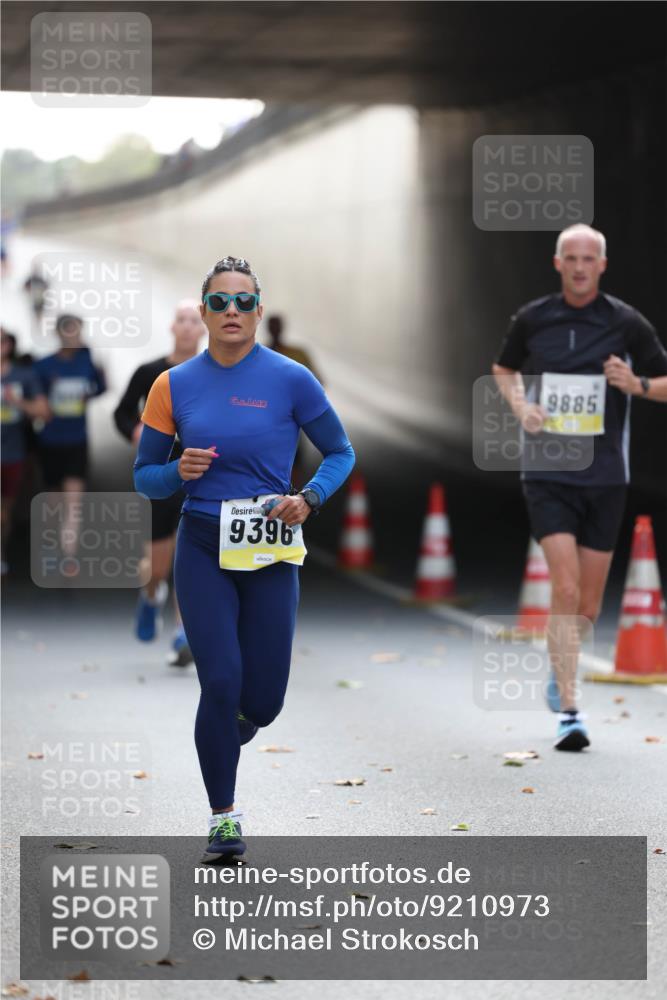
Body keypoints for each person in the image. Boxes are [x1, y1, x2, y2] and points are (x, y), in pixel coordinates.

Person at [134, 256, 355, 861]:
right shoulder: (171, 385)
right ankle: (223, 817)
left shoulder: (291, 379)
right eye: (219, 302)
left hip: (270, 547)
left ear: (259, 309)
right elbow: (144, 479)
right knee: (220, 679)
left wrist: (309, 498)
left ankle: (225, 737)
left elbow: (340, 451)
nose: (232, 312)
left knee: (263, 700)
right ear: (203, 311)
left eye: (243, 301)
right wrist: (176, 471)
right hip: (203, 544)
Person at [492, 224, 667, 752]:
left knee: (587, 606)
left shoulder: (624, 322)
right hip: (547, 472)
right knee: (564, 590)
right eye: (571, 257)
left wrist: (634, 384)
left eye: (590, 258)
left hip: (606, 475)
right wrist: (522, 406)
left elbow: (664, 381)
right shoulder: (533, 318)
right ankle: (571, 710)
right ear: (558, 263)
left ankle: (559, 669)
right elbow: (503, 368)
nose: (580, 266)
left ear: (602, 266)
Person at [114, 300, 206, 664]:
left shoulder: (213, 373)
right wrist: (134, 430)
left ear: (203, 329)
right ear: (171, 327)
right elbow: (121, 412)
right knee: (157, 567)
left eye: (193, 321)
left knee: (190, 559)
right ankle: (150, 595)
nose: (186, 327)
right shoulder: (151, 372)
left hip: (200, 479)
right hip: (159, 476)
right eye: (180, 320)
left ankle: (184, 634)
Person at [34, 315, 106, 555]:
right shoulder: (43, 366)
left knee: (73, 503)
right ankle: (52, 546)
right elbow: (36, 399)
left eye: (77, 332)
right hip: (50, 441)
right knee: (54, 502)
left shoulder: (87, 363)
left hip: (77, 440)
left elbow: (101, 387)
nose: (72, 337)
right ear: (58, 333)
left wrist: (89, 394)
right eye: (68, 332)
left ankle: (68, 555)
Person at [1, 330, 49, 574]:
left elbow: (44, 411)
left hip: (12, 452)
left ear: (8, 345)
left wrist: (17, 402)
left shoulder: (24, 376)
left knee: (4, 511)